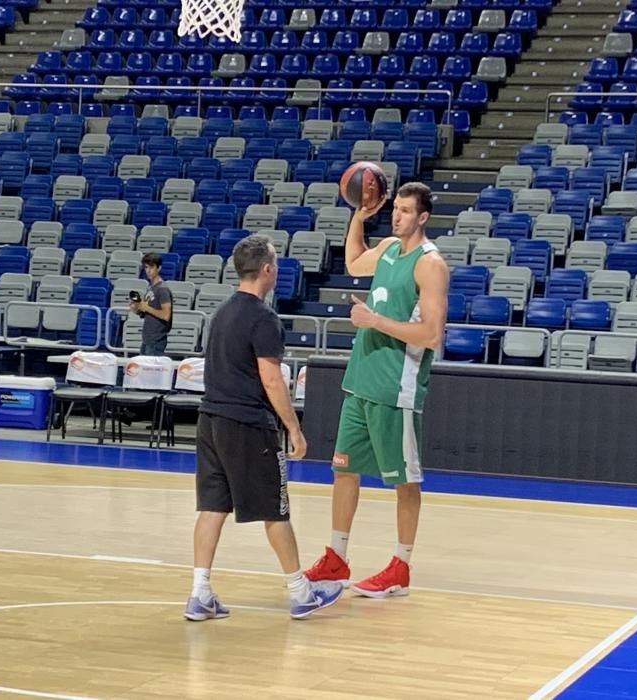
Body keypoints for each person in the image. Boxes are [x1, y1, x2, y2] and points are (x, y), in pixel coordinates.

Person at [185, 234, 344, 621]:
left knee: (211, 507)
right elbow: (272, 380)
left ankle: (199, 593)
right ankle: (299, 592)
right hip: (247, 423)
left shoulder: (221, 313)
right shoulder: (263, 318)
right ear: (268, 270)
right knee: (276, 509)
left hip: (210, 421)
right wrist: (294, 428)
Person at [305, 182, 449, 598]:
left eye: (406, 210)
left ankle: (401, 566)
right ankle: (337, 556)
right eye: (396, 208)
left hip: (396, 387)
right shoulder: (387, 248)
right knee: (343, 469)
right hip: (361, 380)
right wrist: (358, 217)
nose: (397, 215)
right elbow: (352, 262)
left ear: (422, 217)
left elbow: (432, 334)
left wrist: (375, 321)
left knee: (404, 481)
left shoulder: (430, 264)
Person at [130, 252, 172, 356]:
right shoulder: (150, 288)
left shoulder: (162, 289)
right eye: (146, 267)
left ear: (159, 268)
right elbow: (146, 312)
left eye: (151, 267)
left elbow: (166, 315)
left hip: (156, 340)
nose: (148, 271)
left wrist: (146, 308)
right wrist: (136, 308)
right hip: (148, 338)